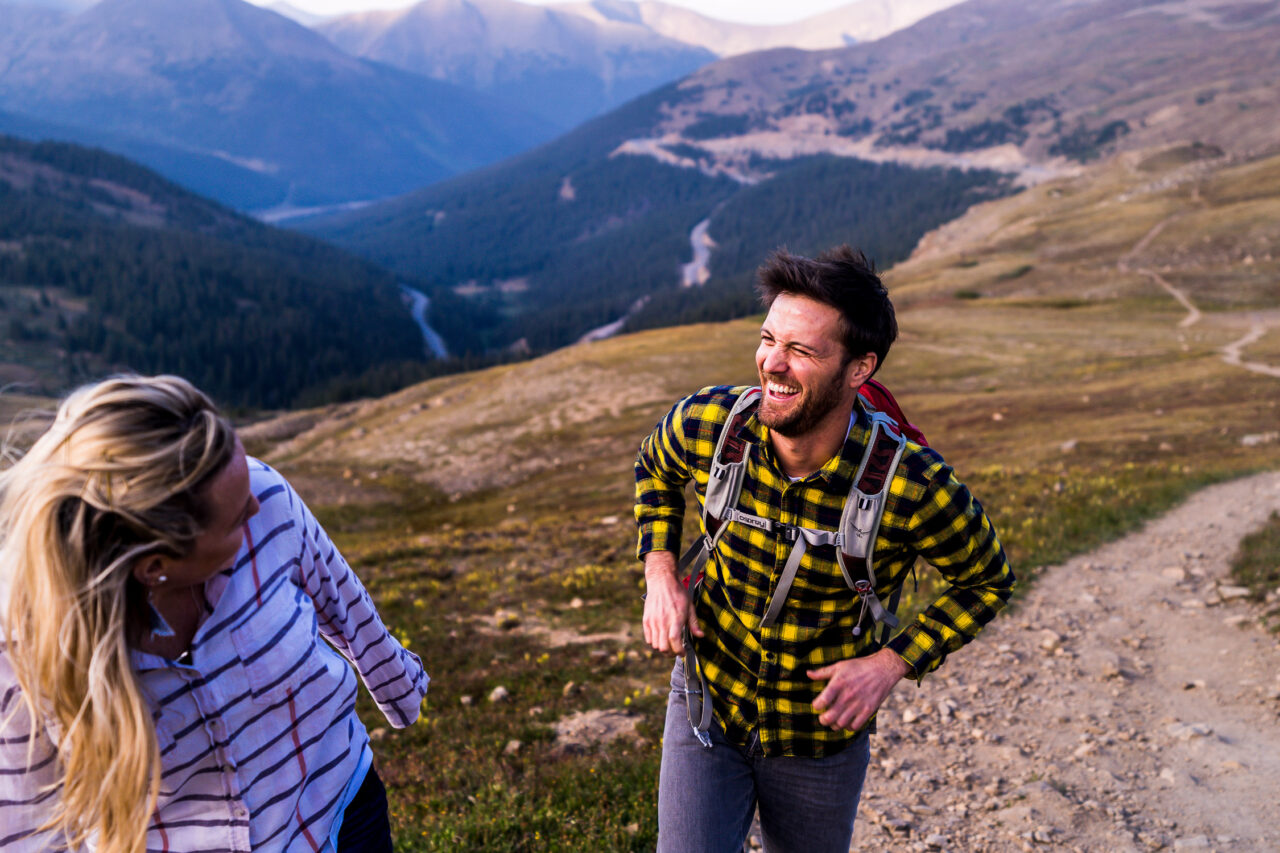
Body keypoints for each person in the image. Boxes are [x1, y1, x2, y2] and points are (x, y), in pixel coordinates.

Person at [635, 246, 1014, 853]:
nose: (772, 363)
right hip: (707, 705)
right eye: (768, 339)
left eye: (801, 351)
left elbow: (988, 581)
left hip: (820, 739)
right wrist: (660, 573)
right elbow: (655, 466)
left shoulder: (911, 484)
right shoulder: (710, 424)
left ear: (859, 368)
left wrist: (890, 664)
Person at [0, 375, 429, 853]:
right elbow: (25, 827)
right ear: (155, 566)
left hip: (339, 812)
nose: (256, 506)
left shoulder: (265, 496)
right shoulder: (19, 648)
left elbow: (341, 595)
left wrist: (400, 688)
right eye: (234, 518)